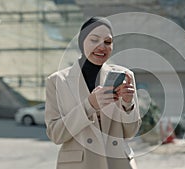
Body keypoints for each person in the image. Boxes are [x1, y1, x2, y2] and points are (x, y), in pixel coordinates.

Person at [45, 17, 141, 169]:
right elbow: (56, 134)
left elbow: (130, 133)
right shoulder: (57, 81)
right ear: (82, 42)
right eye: (94, 40)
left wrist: (128, 105)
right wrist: (89, 105)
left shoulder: (124, 75)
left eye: (107, 42)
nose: (101, 46)